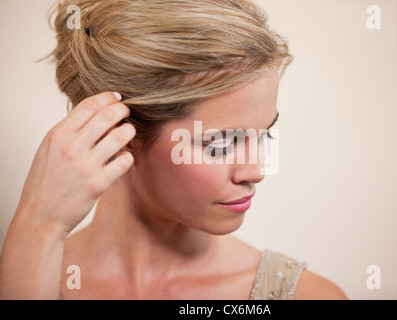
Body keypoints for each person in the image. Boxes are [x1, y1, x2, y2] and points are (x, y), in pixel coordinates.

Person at [0, 0, 347, 300]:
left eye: (263, 134)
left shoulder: (307, 295)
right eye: (222, 143)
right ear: (118, 133)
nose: (256, 170)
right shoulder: (24, 280)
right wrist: (38, 229)